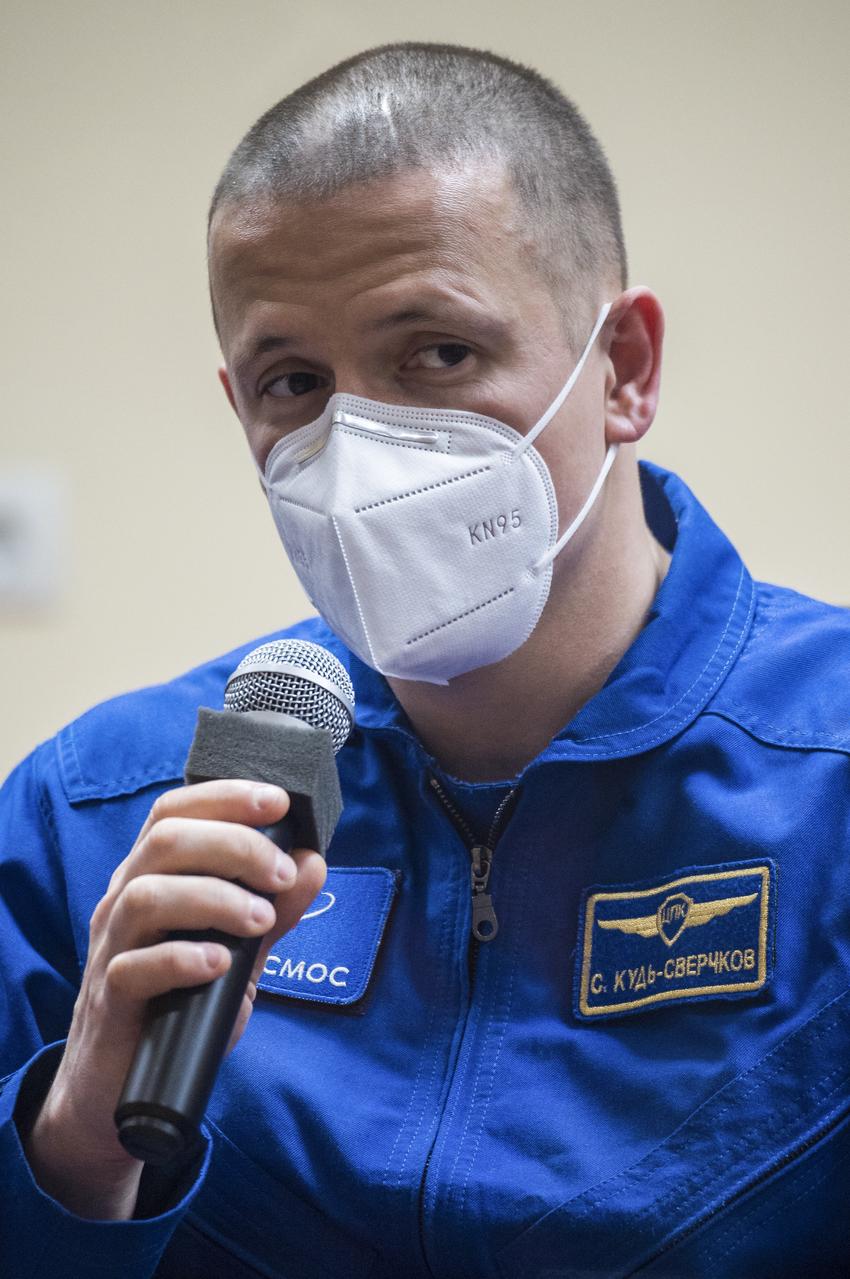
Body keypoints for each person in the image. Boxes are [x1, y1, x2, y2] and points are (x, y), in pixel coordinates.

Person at [1, 42, 848, 1279]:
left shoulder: (825, 783)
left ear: (623, 369)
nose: (359, 447)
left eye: (436, 354)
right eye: (294, 382)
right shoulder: (97, 816)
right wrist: (76, 1146)